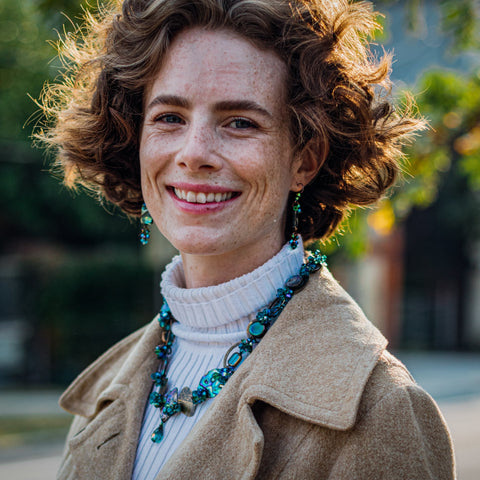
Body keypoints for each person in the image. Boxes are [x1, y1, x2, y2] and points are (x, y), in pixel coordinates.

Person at [38, 0, 455, 478]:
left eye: (240, 122)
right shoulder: (104, 392)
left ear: (305, 159)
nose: (194, 154)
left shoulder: (381, 410)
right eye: (169, 117)